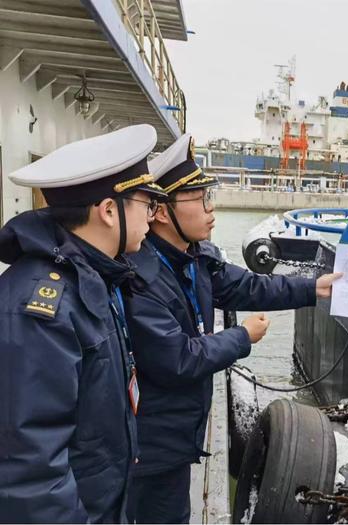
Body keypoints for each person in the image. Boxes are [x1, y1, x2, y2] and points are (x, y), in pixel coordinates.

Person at [122, 134, 340, 524]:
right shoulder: (142, 278)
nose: (211, 209)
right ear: (160, 211)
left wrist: (313, 288)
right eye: (201, 199)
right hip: (149, 446)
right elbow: (177, 359)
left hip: (175, 438)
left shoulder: (194, 258)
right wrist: (242, 337)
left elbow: (250, 286)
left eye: (210, 196)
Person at [0, 125, 168, 523]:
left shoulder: (93, 278)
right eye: (145, 201)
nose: (153, 213)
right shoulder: (42, 310)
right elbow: (31, 471)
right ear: (109, 211)